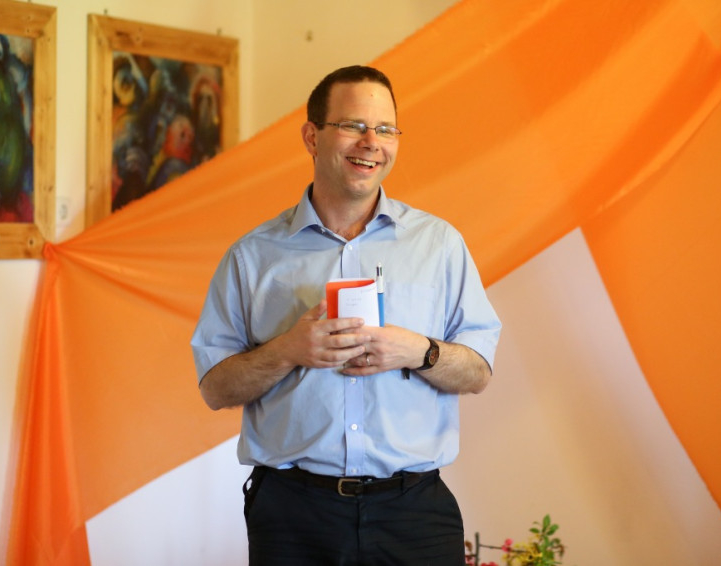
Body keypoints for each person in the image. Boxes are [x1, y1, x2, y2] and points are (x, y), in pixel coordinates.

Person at [191, 65, 501, 565]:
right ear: (311, 137)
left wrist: (418, 351)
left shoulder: (440, 245)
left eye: (386, 129)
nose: (371, 143)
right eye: (354, 125)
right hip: (293, 517)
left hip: (415, 514)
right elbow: (215, 388)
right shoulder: (253, 257)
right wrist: (287, 350)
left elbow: (479, 372)